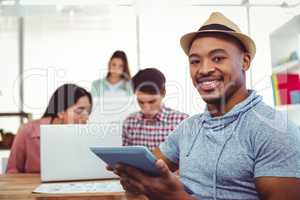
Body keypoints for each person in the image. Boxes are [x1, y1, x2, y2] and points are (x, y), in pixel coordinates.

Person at [108, 12, 300, 200]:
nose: (204, 69)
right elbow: (149, 170)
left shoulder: (275, 131)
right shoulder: (188, 128)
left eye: (218, 58)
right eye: (195, 61)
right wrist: (132, 174)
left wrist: (176, 197)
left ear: (245, 61)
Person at [6, 84, 92, 173]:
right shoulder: (27, 130)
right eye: (79, 110)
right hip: (32, 186)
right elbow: (12, 171)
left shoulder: (83, 135)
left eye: (88, 111)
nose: (86, 117)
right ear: (61, 112)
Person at [122, 68, 189, 151]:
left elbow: (189, 160)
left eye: (152, 102)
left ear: (163, 93)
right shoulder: (129, 122)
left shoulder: (182, 121)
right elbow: (126, 158)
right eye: (141, 102)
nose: (146, 109)